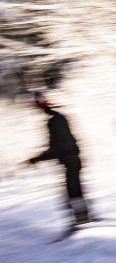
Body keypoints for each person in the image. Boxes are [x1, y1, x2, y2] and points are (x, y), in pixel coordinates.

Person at [24, 92, 91, 236]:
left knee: (72, 191)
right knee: (75, 190)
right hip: (72, 158)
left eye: (38, 106)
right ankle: (84, 219)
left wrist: (37, 159)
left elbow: (57, 148)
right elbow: (58, 146)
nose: (37, 109)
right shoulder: (58, 118)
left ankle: (80, 222)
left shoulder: (54, 121)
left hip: (70, 159)